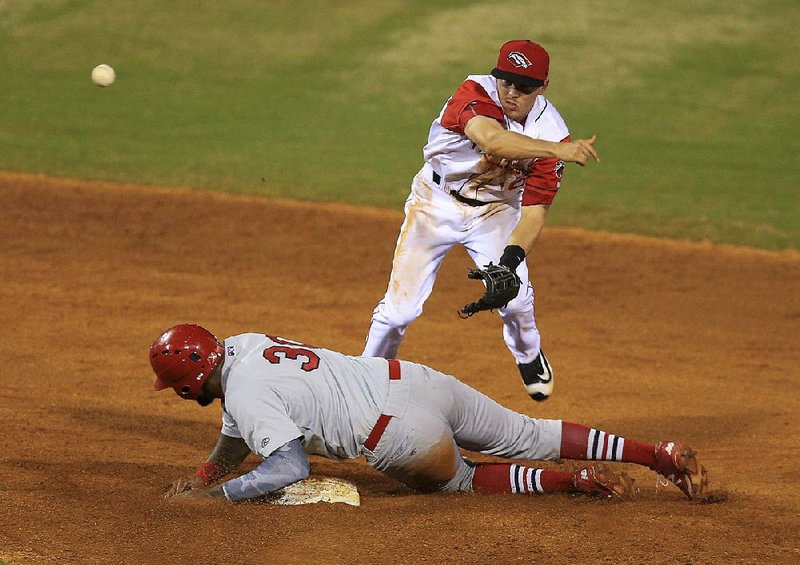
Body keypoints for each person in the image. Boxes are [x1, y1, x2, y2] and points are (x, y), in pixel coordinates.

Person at [150, 324, 708, 503]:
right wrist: (205, 474)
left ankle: (572, 483)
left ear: (185, 388)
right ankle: (654, 454)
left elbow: (288, 468)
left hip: (401, 436)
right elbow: (235, 433)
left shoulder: (245, 395)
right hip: (417, 382)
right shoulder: (242, 345)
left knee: (460, 479)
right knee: (528, 431)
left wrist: (218, 495)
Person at [362, 40, 601, 402]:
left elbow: (535, 211)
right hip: (435, 203)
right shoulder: (473, 92)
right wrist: (556, 151)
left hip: (496, 212)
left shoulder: (552, 132)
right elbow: (492, 140)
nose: (511, 93)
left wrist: (509, 261)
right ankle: (362, 382)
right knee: (398, 313)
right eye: (506, 81)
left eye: (524, 87)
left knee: (517, 301)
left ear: (543, 88)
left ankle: (528, 355)